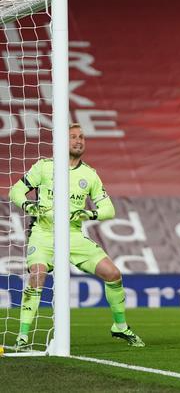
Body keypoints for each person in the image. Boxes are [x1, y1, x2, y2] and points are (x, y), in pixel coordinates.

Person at [9, 124, 144, 348]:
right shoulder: (44, 167)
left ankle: (119, 327)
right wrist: (28, 205)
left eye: (81, 137)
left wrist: (89, 213)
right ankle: (23, 336)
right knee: (38, 274)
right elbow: (15, 190)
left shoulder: (89, 175)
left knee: (113, 274)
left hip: (73, 235)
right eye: (72, 137)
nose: (78, 140)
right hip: (44, 233)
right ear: (62, 141)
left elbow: (109, 209)